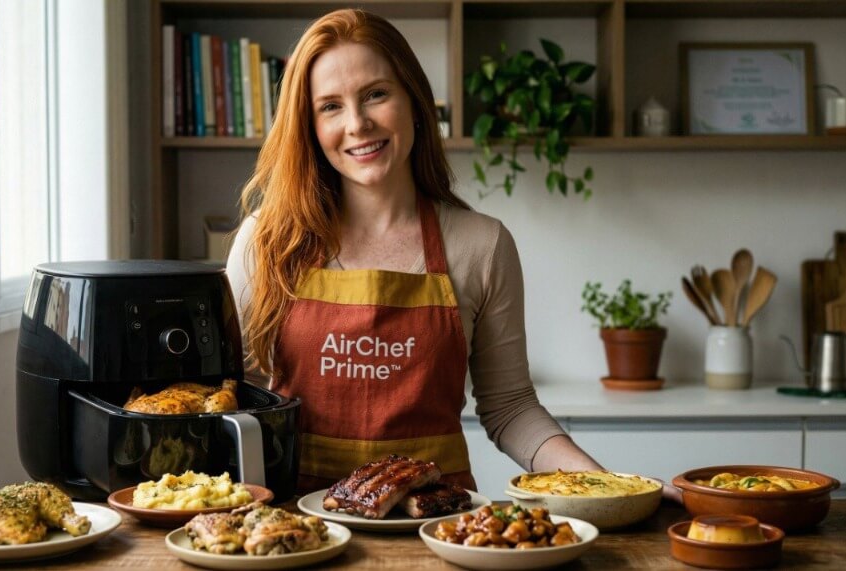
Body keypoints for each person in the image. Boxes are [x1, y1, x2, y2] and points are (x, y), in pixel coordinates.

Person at [226, 8, 603, 494]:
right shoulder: (267, 241)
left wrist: (609, 485)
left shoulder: (482, 245)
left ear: (414, 101)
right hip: (296, 532)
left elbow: (510, 406)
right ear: (310, 127)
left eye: (376, 95)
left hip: (436, 528)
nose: (358, 124)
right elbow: (233, 396)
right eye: (331, 107)